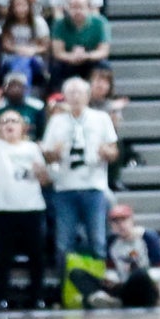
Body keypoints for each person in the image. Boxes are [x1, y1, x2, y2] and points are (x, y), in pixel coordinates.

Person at [0, 106, 51, 309]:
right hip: (3, 209)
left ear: (23, 127)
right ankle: (2, 296)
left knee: (36, 255)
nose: (9, 125)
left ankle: (37, 296)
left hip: (32, 207)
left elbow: (45, 181)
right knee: (4, 256)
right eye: (4, 122)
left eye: (14, 121)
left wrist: (41, 173)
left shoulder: (32, 149)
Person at [43, 76, 117, 265]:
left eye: (79, 92)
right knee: (63, 243)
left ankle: (98, 287)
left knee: (97, 240)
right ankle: (66, 290)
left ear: (87, 95)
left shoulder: (101, 118)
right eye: (71, 93)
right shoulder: (56, 121)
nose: (75, 96)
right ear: (65, 96)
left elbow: (114, 151)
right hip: (65, 188)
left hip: (93, 185)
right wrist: (54, 153)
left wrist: (106, 151)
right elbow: (47, 155)